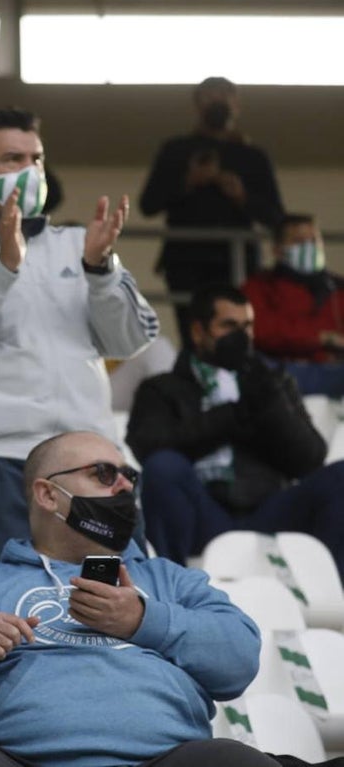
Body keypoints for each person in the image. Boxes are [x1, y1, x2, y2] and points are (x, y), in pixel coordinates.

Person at [0, 430, 267, 767]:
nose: (124, 486)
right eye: (104, 474)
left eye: (129, 476)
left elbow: (240, 660)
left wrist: (145, 620)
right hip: (13, 759)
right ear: (48, 494)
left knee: (235, 760)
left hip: (161, 758)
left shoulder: (172, 579)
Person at [0, 107, 160, 568]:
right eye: (11, 159)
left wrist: (101, 271)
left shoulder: (79, 245)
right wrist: (1, 268)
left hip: (90, 459)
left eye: (35, 159)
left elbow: (132, 339)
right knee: (7, 602)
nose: (29, 171)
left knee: (113, 597)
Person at [126, 285, 344, 576]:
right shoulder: (161, 388)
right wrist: (231, 416)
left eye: (247, 326)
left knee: (339, 476)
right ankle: (167, 584)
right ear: (198, 332)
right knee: (164, 466)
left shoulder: (273, 383)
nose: (241, 336)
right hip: (202, 512)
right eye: (229, 326)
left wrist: (270, 403)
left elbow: (311, 459)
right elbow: (148, 445)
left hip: (269, 510)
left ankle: (331, 587)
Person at [139, 77, 284, 344]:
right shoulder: (176, 150)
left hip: (237, 260)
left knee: (235, 335)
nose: (218, 100)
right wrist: (188, 182)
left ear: (237, 105)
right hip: (186, 261)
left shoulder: (253, 157)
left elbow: (276, 217)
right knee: (193, 336)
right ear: (197, 104)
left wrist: (242, 197)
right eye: (210, 95)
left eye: (225, 95)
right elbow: (148, 205)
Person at [242, 213, 344, 397]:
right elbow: (260, 330)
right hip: (280, 371)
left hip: (333, 372)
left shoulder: (338, 288)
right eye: (298, 241)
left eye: (313, 240)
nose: (308, 247)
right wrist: (322, 338)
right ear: (277, 250)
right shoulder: (258, 287)